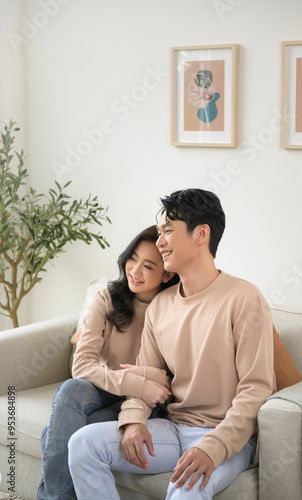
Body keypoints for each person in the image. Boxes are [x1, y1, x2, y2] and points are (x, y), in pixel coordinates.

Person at [68, 189, 276, 500]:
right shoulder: (161, 305)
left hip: (227, 438)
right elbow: (146, 375)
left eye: (168, 230)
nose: (160, 240)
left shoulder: (244, 299)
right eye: (160, 231)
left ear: (201, 234)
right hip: (173, 428)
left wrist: (214, 447)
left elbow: (256, 388)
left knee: (185, 487)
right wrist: (134, 421)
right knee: (83, 444)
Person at [37, 225, 179, 500]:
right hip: (109, 388)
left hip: (149, 404)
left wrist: (143, 389)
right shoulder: (106, 298)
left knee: (56, 433)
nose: (135, 271)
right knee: (71, 389)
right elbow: (82, 366)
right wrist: (138, 384)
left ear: (167, 273)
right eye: (132, 258)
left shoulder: (176, 310)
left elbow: (171, 379)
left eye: (148, 266)